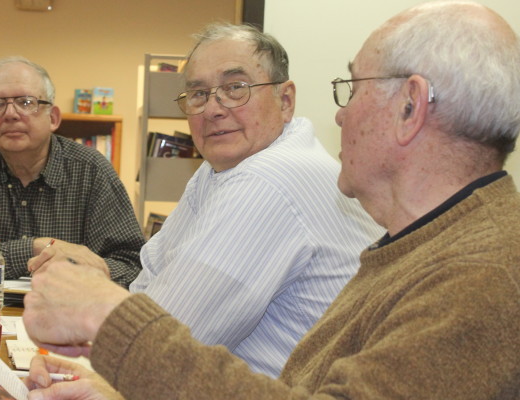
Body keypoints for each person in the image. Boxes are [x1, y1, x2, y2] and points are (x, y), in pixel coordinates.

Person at [22, 1, 520, 399]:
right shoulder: (435, 243)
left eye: (352, 88)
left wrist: (108, 314)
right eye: (198, 95)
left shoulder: (482, 272)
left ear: (411, 106)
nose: (340, 116)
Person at [29, 23, 381, 378]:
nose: (213, 108)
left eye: (235, 88)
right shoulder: (219, 169)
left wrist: (92, 294)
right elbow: (150, 278)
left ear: (285, 100)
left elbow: (158, 346)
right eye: (198, 94)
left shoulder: (268, 179)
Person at [0, 56, 145, 288]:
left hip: (70, 313)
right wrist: (36, 247)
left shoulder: (91, 171)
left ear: (53, 118)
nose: (10, 114)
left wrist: (84, 267)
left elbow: (132, 265)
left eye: (26, 102)